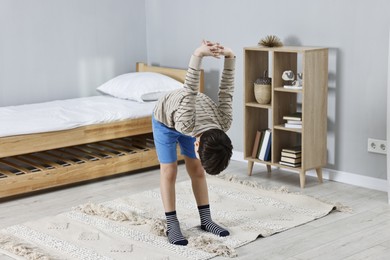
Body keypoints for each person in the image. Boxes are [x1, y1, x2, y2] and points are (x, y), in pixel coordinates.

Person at [152, 40, 235, 246]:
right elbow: (189, 88)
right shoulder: (185, 122)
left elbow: (226, 91)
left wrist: (230, 56)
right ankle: (172, 224)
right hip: (165, 118)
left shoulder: (223, 122)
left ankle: (206, 220)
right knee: (169, 171)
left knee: (197, 171)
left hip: (193, 120)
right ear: (197, 145)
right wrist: (198, 54)